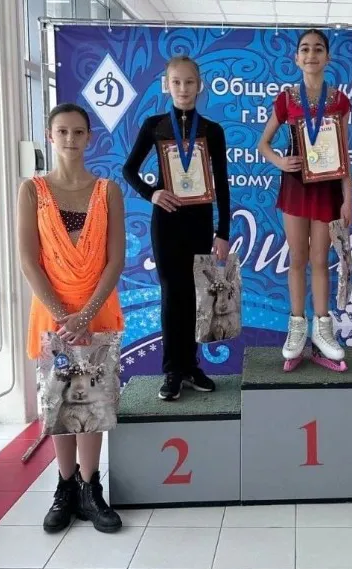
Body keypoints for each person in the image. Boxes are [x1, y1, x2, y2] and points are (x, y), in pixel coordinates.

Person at [17, 103, 124, 533]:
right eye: (62, 131)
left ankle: (90, 487)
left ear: (89, 137)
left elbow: (115, 260)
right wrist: (65, 317)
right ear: (50, 135)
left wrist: (86, 315)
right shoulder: (32, 190)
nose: (70, 139)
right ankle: (64, 487)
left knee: (93, 404)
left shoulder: (108, 191)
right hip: (52, 315)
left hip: (97, 310)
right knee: (59, 401)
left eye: (78, 132)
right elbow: (29, 261)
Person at [123, 55, 231, 401]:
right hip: (167, 221)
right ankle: (172, 370)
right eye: (177, 82)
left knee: (197, 296)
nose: (183, 88)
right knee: (172, 295)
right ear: (166, 86)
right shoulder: (154, 125)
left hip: (200, 222)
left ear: (200, 86)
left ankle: (192, 366)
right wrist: (152, 194)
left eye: (189, 82)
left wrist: (223, 231)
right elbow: (128, 170)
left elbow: (222, 183)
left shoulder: (212, 130)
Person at [257, 28, 352, 370]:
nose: (311, 55)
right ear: (296, 58)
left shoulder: (339, 100)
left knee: (320, 259)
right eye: (305, 49)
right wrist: (280, 161)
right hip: (296, 183)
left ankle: (322, 330)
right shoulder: (286, 98)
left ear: (328, 57)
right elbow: (263, 143)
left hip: (327, 186)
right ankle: (297, 326)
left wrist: (348, 197)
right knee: (297, 257)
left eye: (318, 49)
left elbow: (344, 152)